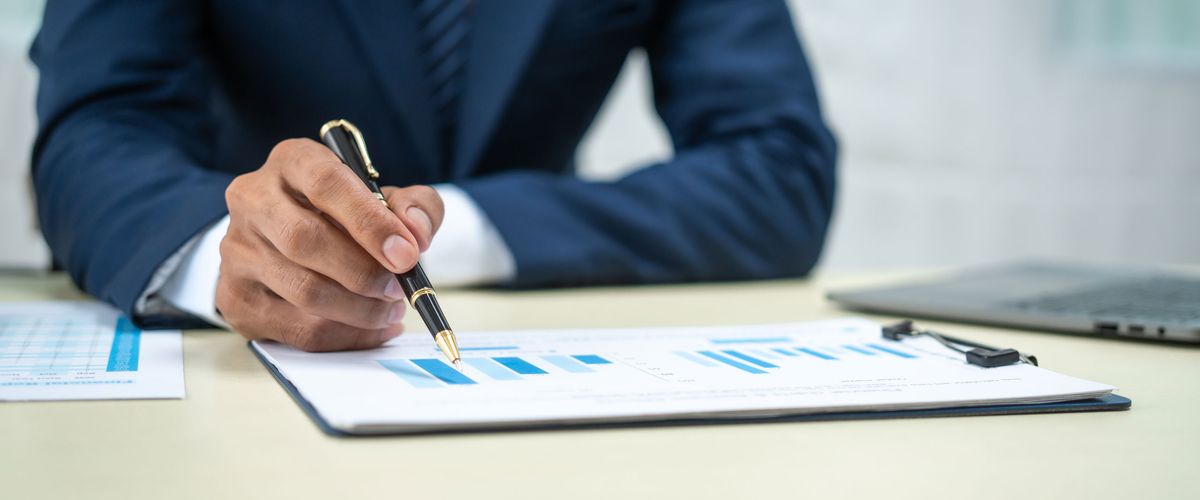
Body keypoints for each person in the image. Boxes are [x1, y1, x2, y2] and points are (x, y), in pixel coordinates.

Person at [30, 0, 837, 351]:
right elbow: (95, 131)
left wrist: (455, 228)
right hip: (242, 364)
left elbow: (777, 170)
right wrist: (234, 255)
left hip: (538, 329)